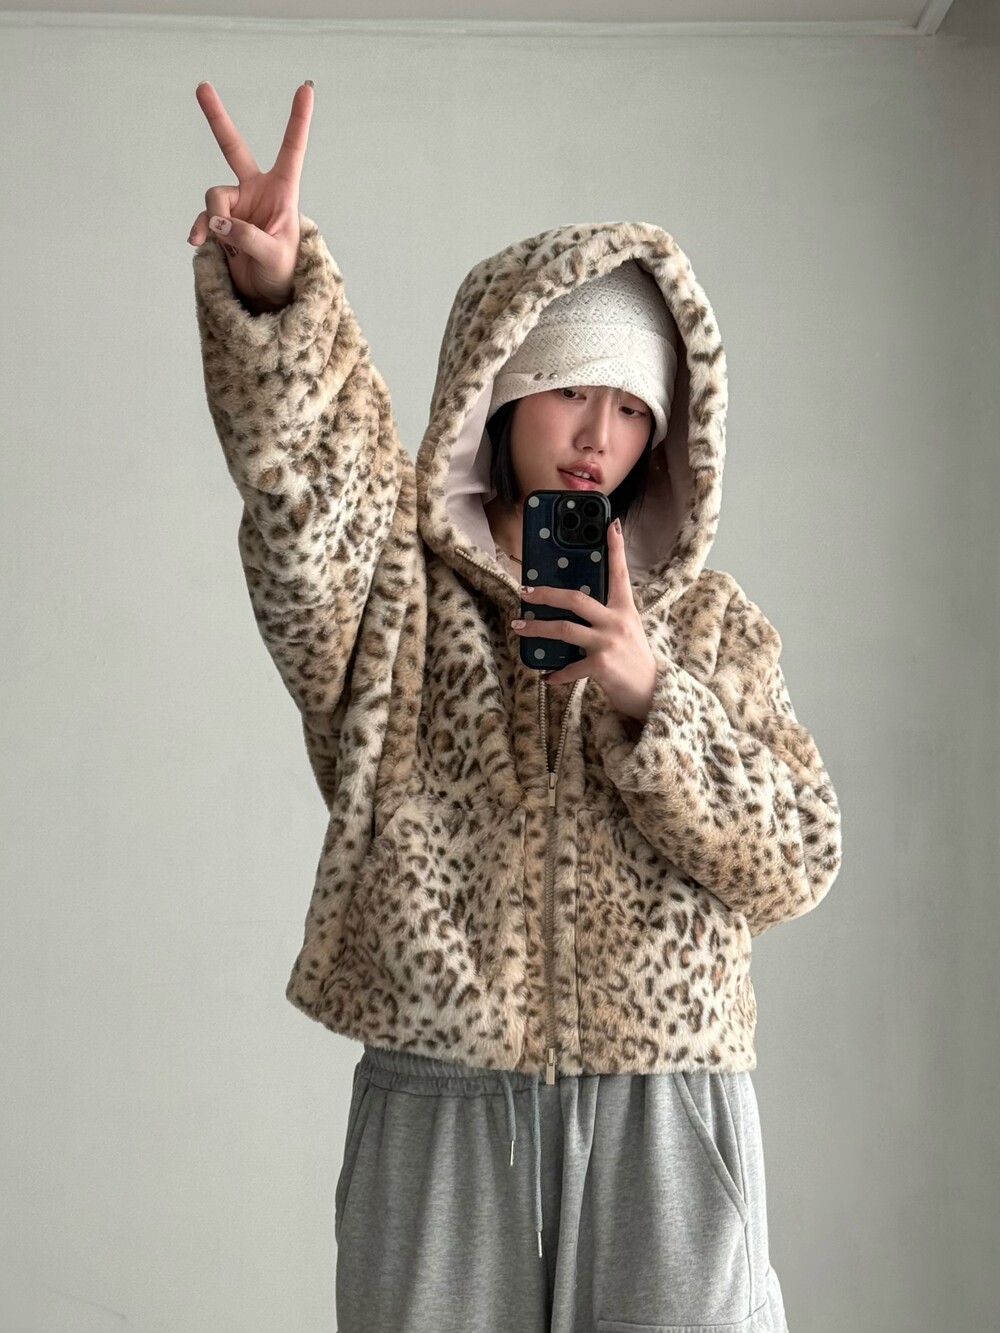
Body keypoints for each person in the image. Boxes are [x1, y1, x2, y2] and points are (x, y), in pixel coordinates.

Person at [190, 80, 842, 1333]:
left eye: (634, 408)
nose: (599, 435)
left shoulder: (710, 626)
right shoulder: (393, 595)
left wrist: (648, 694)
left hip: (666, 1103)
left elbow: (796, 859)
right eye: (571, 392)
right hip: (445, 1095)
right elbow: (306, 494)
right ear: (502, 390)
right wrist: (277, 303)